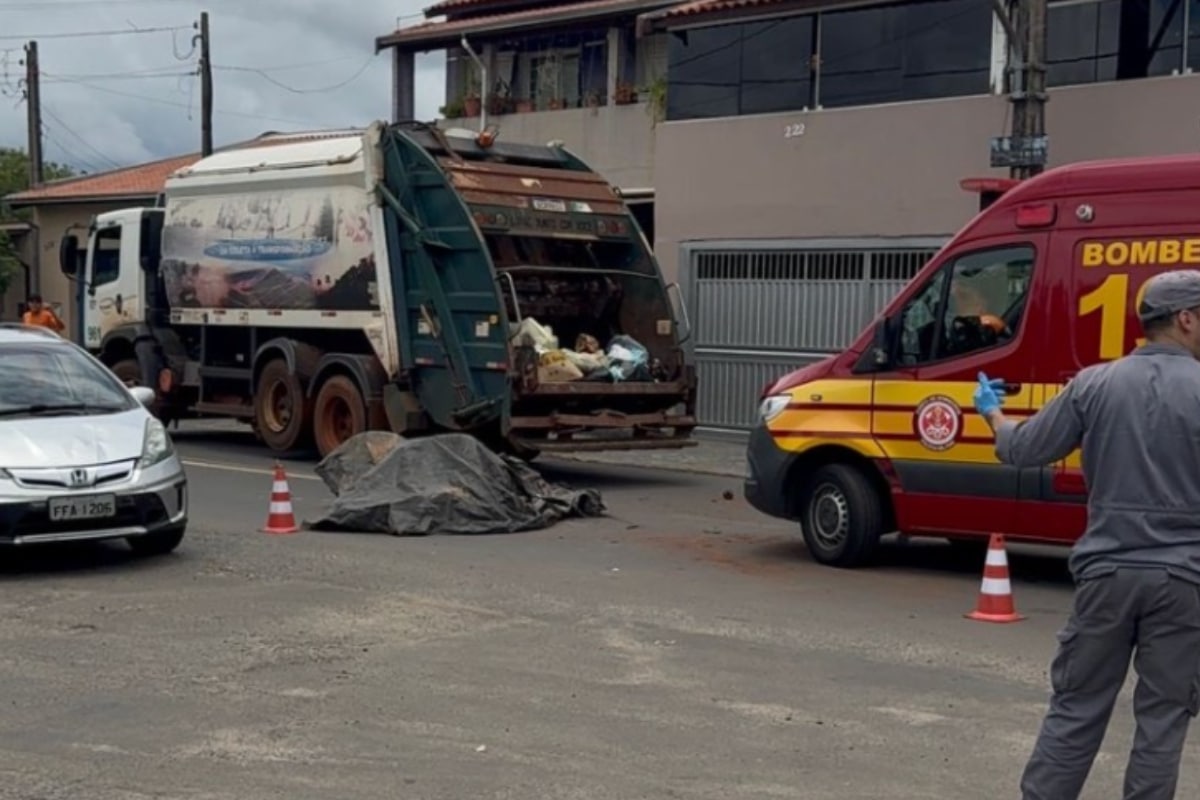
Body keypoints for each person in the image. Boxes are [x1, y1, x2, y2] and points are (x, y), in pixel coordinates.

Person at [974, 269, 1200, 800]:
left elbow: (1021, 449)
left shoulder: (1094, 384)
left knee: (1076, 708)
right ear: (1186, 319)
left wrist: (992, 414)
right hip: (1185, 581)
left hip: (1106, 575)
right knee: (1163, 720)